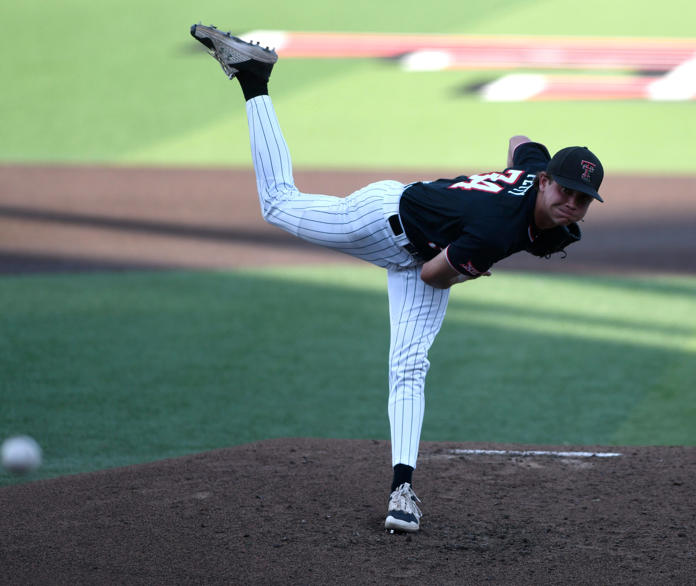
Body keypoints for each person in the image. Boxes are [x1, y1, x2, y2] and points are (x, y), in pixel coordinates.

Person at [190, 24, 604, 533]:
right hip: (383, 219)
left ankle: (402, 491)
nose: (570, 202)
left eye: (581, 199)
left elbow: (521, 141)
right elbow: (434, 275)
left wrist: (497, 197)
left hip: (427, 245)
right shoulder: (496, 233)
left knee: (410, 366)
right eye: (563, 190)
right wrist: (479, 258)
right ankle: (254, 79)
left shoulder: (534, 172)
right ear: (545, 181)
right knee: (278, 204)